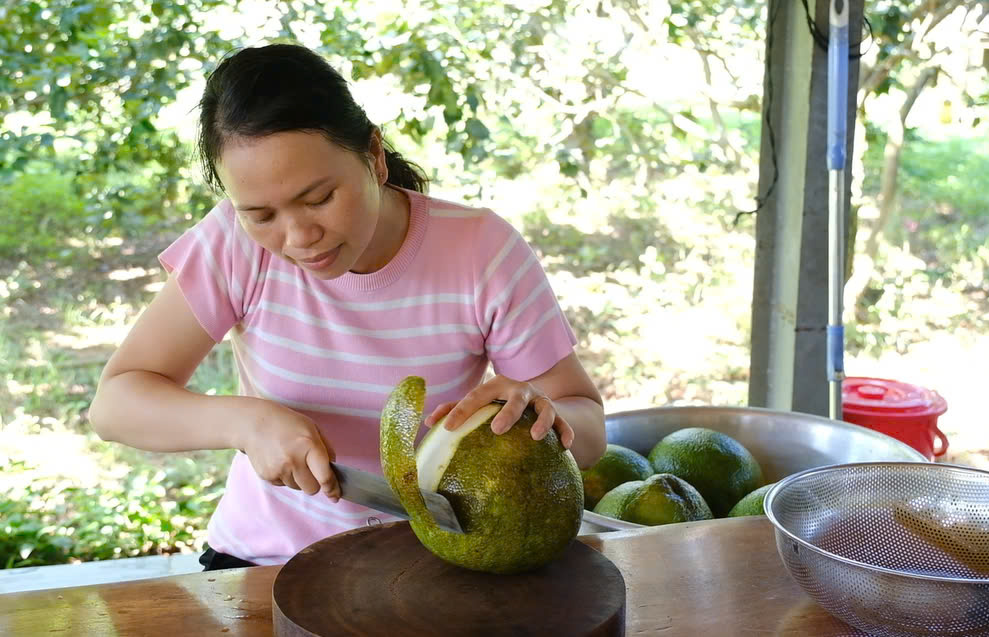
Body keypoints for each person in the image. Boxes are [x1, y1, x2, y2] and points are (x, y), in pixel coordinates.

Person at [88, 43, 606, 570]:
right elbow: (115, 404)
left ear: (374, 156)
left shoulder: (483, 252)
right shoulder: (232, 245)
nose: (299, 237)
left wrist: (544, 415)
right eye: (260, 214)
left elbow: (587, 430)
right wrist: (245, 423)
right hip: (263, 563)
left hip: (431, 558)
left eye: (319, 198)